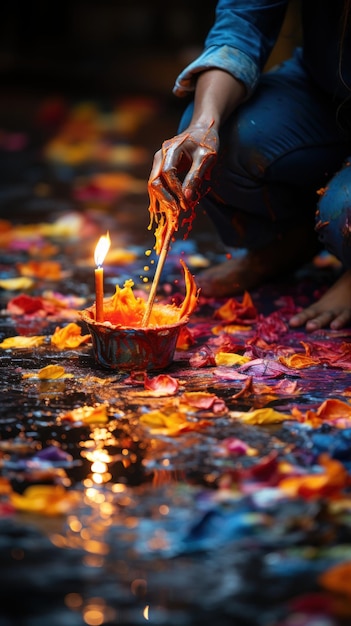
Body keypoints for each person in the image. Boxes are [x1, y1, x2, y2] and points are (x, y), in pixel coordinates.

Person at [148, 0, 351, 331]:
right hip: (325, 90)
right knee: (220, 140)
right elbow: (242, 25)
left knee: (344, 212)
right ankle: (290, 242)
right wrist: (203, 125)